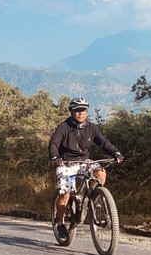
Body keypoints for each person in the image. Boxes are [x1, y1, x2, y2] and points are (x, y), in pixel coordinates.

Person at [48, 97, 124, 239]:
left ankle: (93, 198)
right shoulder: (63, 127)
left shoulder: (92, 128)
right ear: (71, 111)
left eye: (83, 110)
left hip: (85, 162)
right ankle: (60, 222)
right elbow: (54, 144)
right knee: (64, 192)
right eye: (77, 110)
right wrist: (55, 157)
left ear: (87, 112)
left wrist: (116, 153)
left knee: (101, 173)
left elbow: (104, 143)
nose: (80, 113)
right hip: (66, 163)